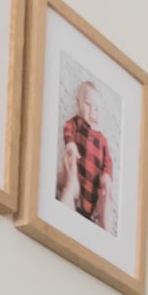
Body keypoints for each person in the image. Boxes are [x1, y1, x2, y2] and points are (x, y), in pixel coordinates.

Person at [59, 79, 115, 230]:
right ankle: (71, 191)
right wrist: (70, 143)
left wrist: (107, 177)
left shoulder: (102, 139)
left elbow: (108, 161)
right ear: (78, 103)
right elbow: (67, 128)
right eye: (88, 105)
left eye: (96, 109)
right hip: (77, 180)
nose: (92, 111)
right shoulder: (77, 123)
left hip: (93, 193)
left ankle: (97, 216)